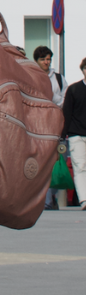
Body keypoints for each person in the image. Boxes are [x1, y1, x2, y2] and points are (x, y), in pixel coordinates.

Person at [34, 47, 68, 209]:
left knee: (57, 159)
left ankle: (50, 196)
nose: (46, 62)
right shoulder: (30, 75)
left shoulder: (59, 79)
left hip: (55, 122)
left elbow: (64, 99)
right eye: (43, 59)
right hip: (37, 124)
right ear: (36, 61)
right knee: (41, 161)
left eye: (48, 59)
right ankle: (44, 199)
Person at [62, 57, 86, 208]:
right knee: (80, 167)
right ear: (83, 70)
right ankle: (84, 199)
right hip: (76, 134)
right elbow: (67, 113)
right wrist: (62, 135)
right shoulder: (73, 89)